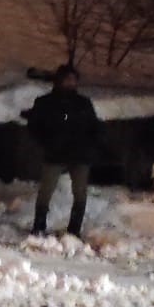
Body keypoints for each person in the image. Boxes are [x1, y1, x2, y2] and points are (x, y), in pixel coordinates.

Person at [24, 65, 101, 237]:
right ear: (59, 80)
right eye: (67, 79)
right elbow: (34, 126)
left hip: (80, 154)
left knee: (80, 193)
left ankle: (74, 229)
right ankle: (39, 225)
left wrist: (90, 145)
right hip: (55, 153)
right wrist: (47, 141)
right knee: (46, 190)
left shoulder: (83, 103)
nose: (70, 83)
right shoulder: (46, 102)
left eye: (73, 80)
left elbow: (94, 127)